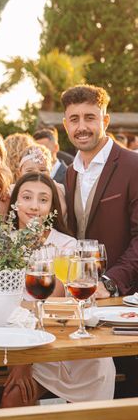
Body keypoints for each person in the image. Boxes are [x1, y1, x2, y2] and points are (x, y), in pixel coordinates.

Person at [2, 172, 115, 407]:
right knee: (13, 399)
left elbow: (70, 304)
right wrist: (21, 361)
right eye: (27, 197)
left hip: (68, 343)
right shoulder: (1, 246)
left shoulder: (67, 245)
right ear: (15, 203)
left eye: (43, 200)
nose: (34, 206)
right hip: (25, 344)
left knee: (99, 371)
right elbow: (4, 309)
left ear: (53, 206)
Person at [61, 84, 138, 398]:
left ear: (105, 121)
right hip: (80, 307)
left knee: (125, 404)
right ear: (65, 125)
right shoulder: (69, 173)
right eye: (74, 119)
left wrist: (111, 282)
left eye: (90, 117)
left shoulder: (133, 165)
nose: (82, 127)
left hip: (124, 307)